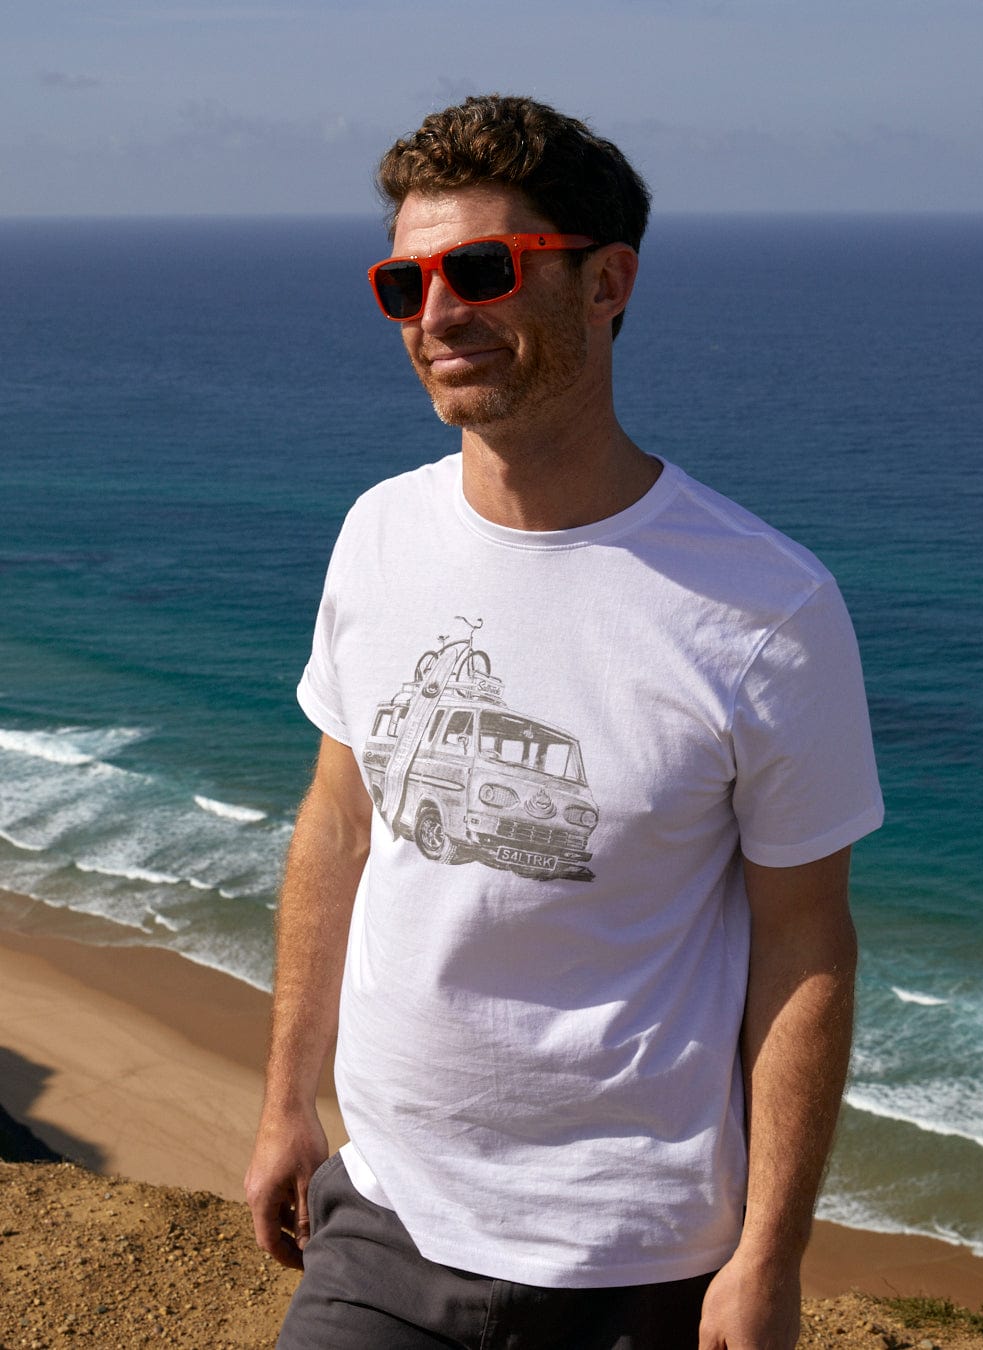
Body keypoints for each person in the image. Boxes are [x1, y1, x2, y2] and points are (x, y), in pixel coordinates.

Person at [245, 93, 884, 1350]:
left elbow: (806, 948)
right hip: (383, 1214)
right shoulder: (378, 534)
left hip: (636, 1260)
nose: (437, 316)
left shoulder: (766, 608)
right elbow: (337, 826)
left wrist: (771, 1255)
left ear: (607, 284)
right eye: (404, 282)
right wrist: (286, 1106)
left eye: (483, 269)